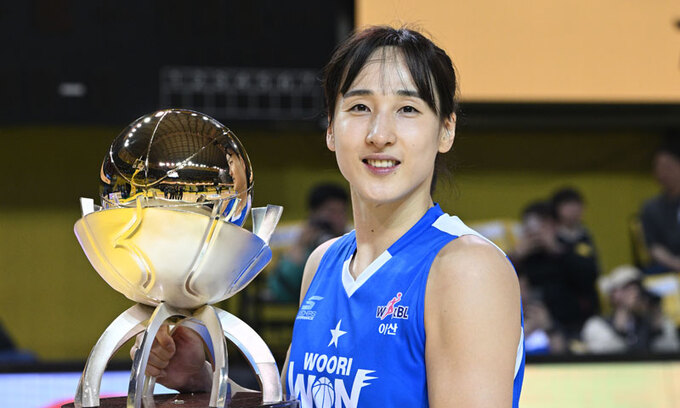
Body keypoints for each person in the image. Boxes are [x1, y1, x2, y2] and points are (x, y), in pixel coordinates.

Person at [136, 26, 525, 407]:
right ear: (331, 129)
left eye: (407, 109)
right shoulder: (323, 262)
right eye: (359, 107)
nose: (379, 134)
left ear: (446, 130)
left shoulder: (467, 269)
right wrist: (204, 380)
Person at [511, 201, 598, 340]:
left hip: (572, 325)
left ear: (554, 226)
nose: (536, 234)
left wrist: (555, 249)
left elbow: (589, 278)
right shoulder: (524, 258)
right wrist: (516, 256)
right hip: (529, 323)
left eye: (543, 226)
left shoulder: (572, 248)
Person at [266, 183, 349, 302]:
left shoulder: (351, 243)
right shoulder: (302, 240)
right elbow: (281, 290)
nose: (338, 219)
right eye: (332, 212)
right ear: (314, 213)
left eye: (342, 212)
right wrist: (300, 246)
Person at [581, 265, 679, 354]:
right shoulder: (597, 325)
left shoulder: (656, 323)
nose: (635, 293)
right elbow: (604, 357)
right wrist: (622, 317)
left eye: (637, 288)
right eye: (627, 288)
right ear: (613, 294)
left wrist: (657, 325)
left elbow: (671, 354)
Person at [640, 141, 680, 273]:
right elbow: (653, 246)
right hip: (665, 270)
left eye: (668, 167)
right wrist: (676, 264)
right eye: (658, 168)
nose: (663, 173)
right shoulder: (650, 208)